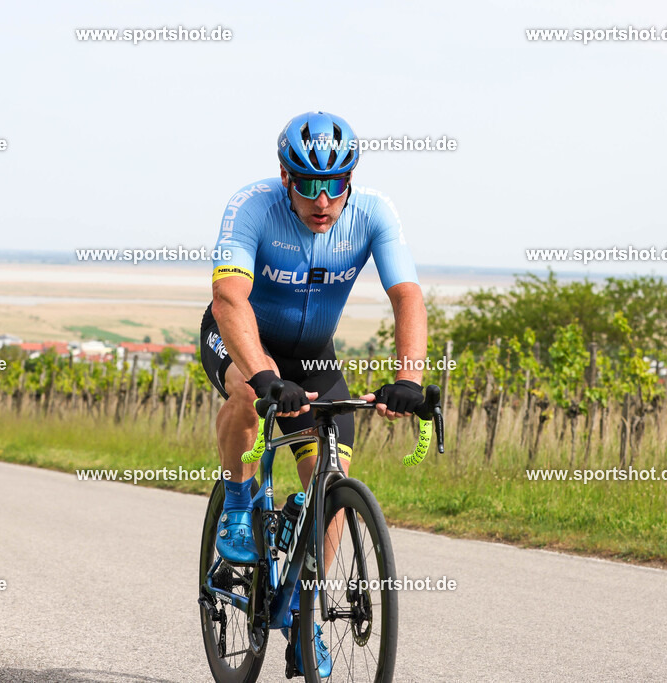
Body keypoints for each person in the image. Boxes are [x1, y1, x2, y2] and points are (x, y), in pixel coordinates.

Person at [199, 111, 427, 674]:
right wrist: (261, 374)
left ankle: (303, 618)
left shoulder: (374, 212)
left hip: (314, 355)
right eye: (308, 186)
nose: (322, 201)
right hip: (240, 335)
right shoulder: (251, 206)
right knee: (246, 395)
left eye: (335, 186)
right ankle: (236, 503)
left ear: (349, 180)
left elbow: (407, 297)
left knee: (328, 483)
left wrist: (410, 381)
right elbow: (230, 298)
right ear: (285, 177)